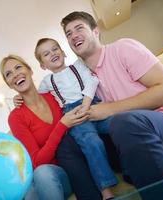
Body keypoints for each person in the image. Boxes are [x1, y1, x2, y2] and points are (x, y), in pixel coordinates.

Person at [56, 11, 163, 200]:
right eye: (68, 33)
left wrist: (111, 109)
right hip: (125, 143)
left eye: (79, 28)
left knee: (124, 121)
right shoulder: (78, 79)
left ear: (96, 31)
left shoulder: (122, 49)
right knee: (67, 145)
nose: (73, 35)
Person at [0, 54, 100, 200]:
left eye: (18, 67)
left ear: (30, 70)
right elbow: (38, 163)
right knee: (32, 188)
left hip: (76, 162)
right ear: (9, 84)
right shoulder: (16, 117)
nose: (15, 74)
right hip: (54, 173)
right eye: (8, 74)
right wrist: (62, 125)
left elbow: (82, 93)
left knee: (37, 182)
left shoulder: (54, 94)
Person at [35, 37, 117, 199]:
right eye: (46, 54)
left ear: (64, 52)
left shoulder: (78, 65)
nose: (52, 53)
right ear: (43, 65)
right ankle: (105, 189)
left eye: (55, 49)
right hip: (73, 114)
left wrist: (86, 103)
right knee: (91, 142)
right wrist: (20, 99)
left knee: (119, 125)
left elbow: (92, 80)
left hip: (92, 102)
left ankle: (130, 169)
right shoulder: (46, 82)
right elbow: (36, 99)